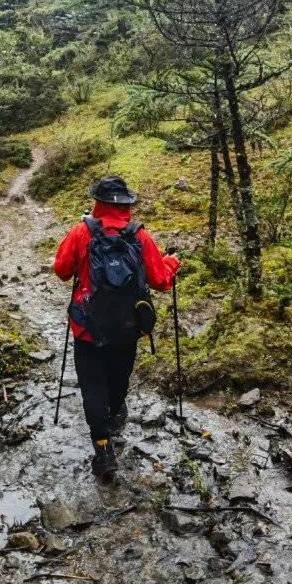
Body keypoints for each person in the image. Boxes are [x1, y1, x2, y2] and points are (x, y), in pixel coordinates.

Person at [53, 175, 180, 478]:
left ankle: (103, 448)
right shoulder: (139, 236)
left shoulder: (81, 232)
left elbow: (61, 271)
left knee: (92, 386)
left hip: (87, 328)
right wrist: (172, 261)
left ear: (97, 202)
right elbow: (161, 281)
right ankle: (116, 412)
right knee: (118, 378)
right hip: (127, 325)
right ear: (126, 205)